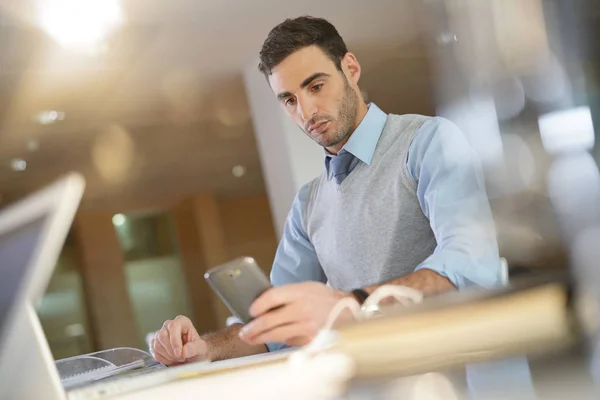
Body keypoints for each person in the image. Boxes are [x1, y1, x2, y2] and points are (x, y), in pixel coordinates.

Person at [150, 16, 501, 366]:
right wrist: (205, 349)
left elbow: (469, 264)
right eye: (289, 100)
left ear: (350, 68)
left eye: (315, 86)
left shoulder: (428, 141)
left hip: (460, 375)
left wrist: (348, 306)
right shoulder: (307, 203)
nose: (306, 111)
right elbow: (277, 328)